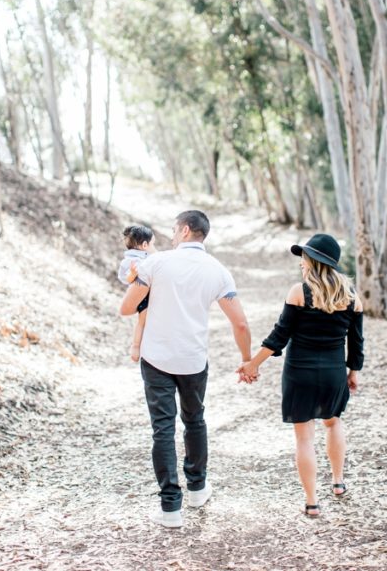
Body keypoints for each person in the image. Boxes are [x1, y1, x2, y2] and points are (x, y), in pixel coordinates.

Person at [119, 210, 253, 529]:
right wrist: (247, 360)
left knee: (163, 428)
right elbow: (242, 323)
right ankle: (197, 488)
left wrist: (147, 290)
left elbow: (125, 308)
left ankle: (170, 508)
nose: (171, 235)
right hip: (193, 359)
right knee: (194, 420)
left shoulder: (156, 263)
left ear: (185, 229)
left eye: (174, 229)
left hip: (156, 359)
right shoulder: (218, 271)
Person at [237, 233, 364, 519]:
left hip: (299, 373)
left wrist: (252, 364)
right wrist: (353, 372)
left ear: (314, 262)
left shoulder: (299, 292)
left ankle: (312, 502)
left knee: (304, 438)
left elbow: (279, 336)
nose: (301, 265)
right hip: (333, 373)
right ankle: (338, 482)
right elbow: (356, 343)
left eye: (304, 259)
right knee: (333, 423)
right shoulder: (352, 298)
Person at [118, 224, 156, 362]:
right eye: (153, 244)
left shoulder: (147, 257)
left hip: (152, 292)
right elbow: (126, 279)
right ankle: (135, 346)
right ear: (145, 245)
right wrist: (133, 274)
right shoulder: (132, 260)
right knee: (142, 321)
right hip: (143, 295)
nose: (154, 248)